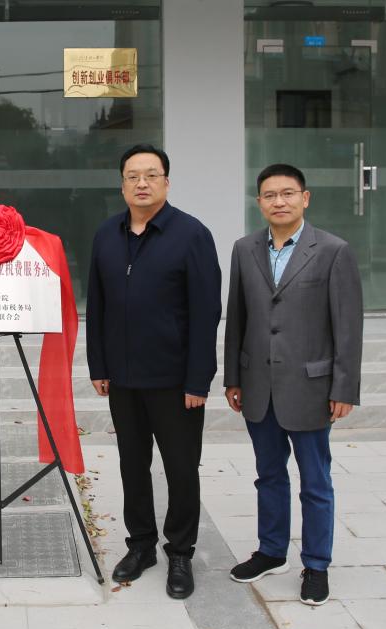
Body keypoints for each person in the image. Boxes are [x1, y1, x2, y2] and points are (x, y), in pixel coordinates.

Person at [223, 163, 363, 606]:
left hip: (310, 387)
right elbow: (237, 318)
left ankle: (316, 565)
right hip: (257, 385)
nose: (278, 201)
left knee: (315, 481)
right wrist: (233, 377)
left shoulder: (333, 251)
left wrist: (344, 387)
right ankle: (271, 551)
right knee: (268, 475)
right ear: (259, 202)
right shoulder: (245, 249)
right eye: (269, 195)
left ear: (305, 198)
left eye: (287, 193)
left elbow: (348, 326)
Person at [86, 144, 221, 599]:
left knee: (181, 468)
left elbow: (206, 312)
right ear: (121, 183)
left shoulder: (191, 234)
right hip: (124, 379)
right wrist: (99, 364)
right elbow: (97, 305)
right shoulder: (107, 234)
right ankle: (141, 545)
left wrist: (198, 380)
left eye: (151, 175)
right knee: (132, 465)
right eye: (132, 175)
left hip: (175, 381)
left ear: (166, 181)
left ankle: (180, 552)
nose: (141, 183)